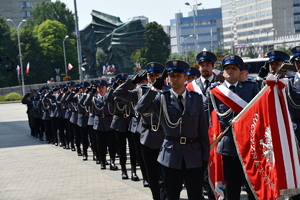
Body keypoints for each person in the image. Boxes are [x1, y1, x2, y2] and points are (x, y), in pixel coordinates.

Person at [136, 60, 210, 200]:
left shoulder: (196, 99)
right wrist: (153, 89)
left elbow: (202, 130)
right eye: (172, 76)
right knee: (171, 195)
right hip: (170, 156)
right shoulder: (161, 98)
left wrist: (205, 157)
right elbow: (140, 108)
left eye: (178, 75)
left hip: (193, 155)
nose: (175, 79)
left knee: (195, 195)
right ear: (167, 78)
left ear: (184, 77)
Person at [206, 54, 259, 200]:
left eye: (234, 68)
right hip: (229, 144)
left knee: (252, 185)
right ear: (223, 72)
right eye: (227, 68)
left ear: (240, 71)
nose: (230, 71)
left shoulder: (251, 87)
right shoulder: (215, 92)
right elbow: (206, 117)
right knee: (232, 186)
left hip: (249, 144)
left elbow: (259, 113)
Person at [114, 63, 169, 199]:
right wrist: (132, 81)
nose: (154, 78)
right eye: (151, 75)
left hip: (166, 136)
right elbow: (118, 93)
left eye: (157, 75)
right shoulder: (141, 91)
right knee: (151, 175)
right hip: (148, 137)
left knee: (167, 175)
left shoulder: (170, 90)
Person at [104, 73, 139, 181]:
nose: (122, 84)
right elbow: (106, 99)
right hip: (119, 121)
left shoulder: (131, 93)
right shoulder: (115, 94)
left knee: (133, 148)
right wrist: (112, 87)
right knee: (121, 148)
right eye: (120, 82)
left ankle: (133, 171)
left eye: (124, 82)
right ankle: (124, 170)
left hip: (131, 121)